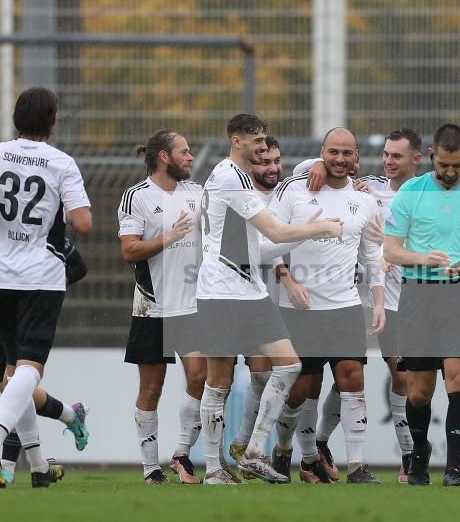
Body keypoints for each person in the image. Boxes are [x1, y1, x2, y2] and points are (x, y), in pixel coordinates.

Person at [0, 86, 92, 488]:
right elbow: (82, 225)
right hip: (43, 278)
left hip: (3, 277)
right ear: (53, 120)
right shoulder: (61, 163)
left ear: (16, 118)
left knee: (13, 372)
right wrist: (64, 208)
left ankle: (39, 468)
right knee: (29, 369)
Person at [195, 114, 343, 484]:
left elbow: (260, 246)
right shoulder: (230, 177)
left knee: (289, 365)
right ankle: (213, 468)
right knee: (218, 381)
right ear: (236, 140)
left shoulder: (240, 176)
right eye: (256, 140)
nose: (263, 145)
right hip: (220, 290)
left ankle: (254, 452)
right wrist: (319, 227)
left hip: (249, 289)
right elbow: (274, 230)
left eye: (264, 139)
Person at [384, 123, 460, 486]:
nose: (450, 173)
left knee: (459, 380)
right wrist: (421, 258)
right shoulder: (411, 192)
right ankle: (420, 456)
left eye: (457, 165)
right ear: (432, 156)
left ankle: (454, 469)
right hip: (418, 294)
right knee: (419, 391)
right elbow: (391, 250)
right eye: (444, 166)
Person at [303, 128, 421, 484]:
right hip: (386, 301)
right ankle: (408, 456)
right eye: (385, 154)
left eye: (396, 156)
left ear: (416, 159)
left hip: (423, 301)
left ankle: (321, 442)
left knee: (407, 381)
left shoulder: (427, 191)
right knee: (388, 375)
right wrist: (317, 165)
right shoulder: (367, 186)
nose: (387, 161)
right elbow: (308, 170)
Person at [270, 127, 385, 484]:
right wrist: (287, 279)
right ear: (322, 153)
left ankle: (357, 465)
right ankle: (284, 452)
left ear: (355, 159)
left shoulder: (366, 201)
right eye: (332, 152)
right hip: (301, 309)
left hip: (345, 306)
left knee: (353, 380)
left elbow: (372, 254)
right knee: (303, 389)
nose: (339, 159)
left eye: (346, 153)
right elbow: (265, 237)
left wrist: (378, 301)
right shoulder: (294, 190)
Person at [119, 129, 208, 485]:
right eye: (184, 152)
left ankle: (182, 454)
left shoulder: (197, 194)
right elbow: (129, 251)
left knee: (201, 377)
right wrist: (168, 237)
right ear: (164, 157)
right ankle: (150, 469)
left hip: (192, 306)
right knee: (151, 390)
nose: (190, 157)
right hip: (152, 306)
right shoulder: (136, 197)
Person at [0, 224, 90, 482]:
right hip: (3, 312)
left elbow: (79, 266)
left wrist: (51, 282)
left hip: (29, 312)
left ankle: (7, 467)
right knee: (13, 391)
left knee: (14, 386)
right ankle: (58, 435)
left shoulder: (44, 230)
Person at [227, 135, 306, 479]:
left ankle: (247, 446)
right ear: (250, 165)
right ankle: (239, 449)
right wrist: (285, 273)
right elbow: (257, 248)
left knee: (273, 375)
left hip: (274, 301)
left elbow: (316, 168)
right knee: (255, 375)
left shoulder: (288, 192)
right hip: (242, 295)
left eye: (277, 161)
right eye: (265, 161)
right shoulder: (242, 197)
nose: (273, 168)